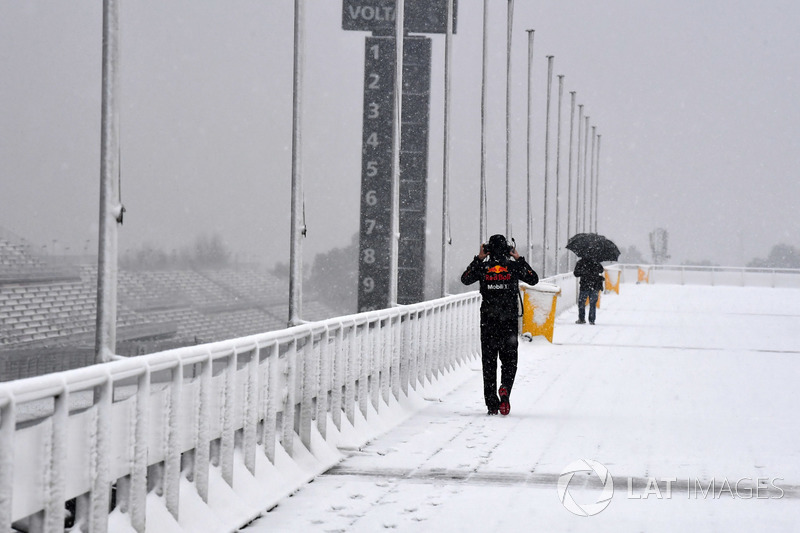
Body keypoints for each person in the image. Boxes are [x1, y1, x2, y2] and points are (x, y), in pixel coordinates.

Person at [461, 234, 538, 416]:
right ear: (507, 249)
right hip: (509, 323)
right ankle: (505, 388)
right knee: (510, 362)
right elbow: (533, 279)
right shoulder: (513, 267)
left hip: (488, 322)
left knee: (489, 365)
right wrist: (518, 258)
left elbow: (465, 279)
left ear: (488, 249)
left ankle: (492, 404)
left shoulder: (484, 268)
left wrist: (479, 258)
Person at [573, 257, 605, 325]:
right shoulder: (596, 262)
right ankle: (592, 320)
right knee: (593, 303)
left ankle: (581, 319)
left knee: (582, 303)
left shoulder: (581, 262)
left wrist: (584, 272)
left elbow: (576, 273)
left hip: (584, 285)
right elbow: (601, 270)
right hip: (595, 285)